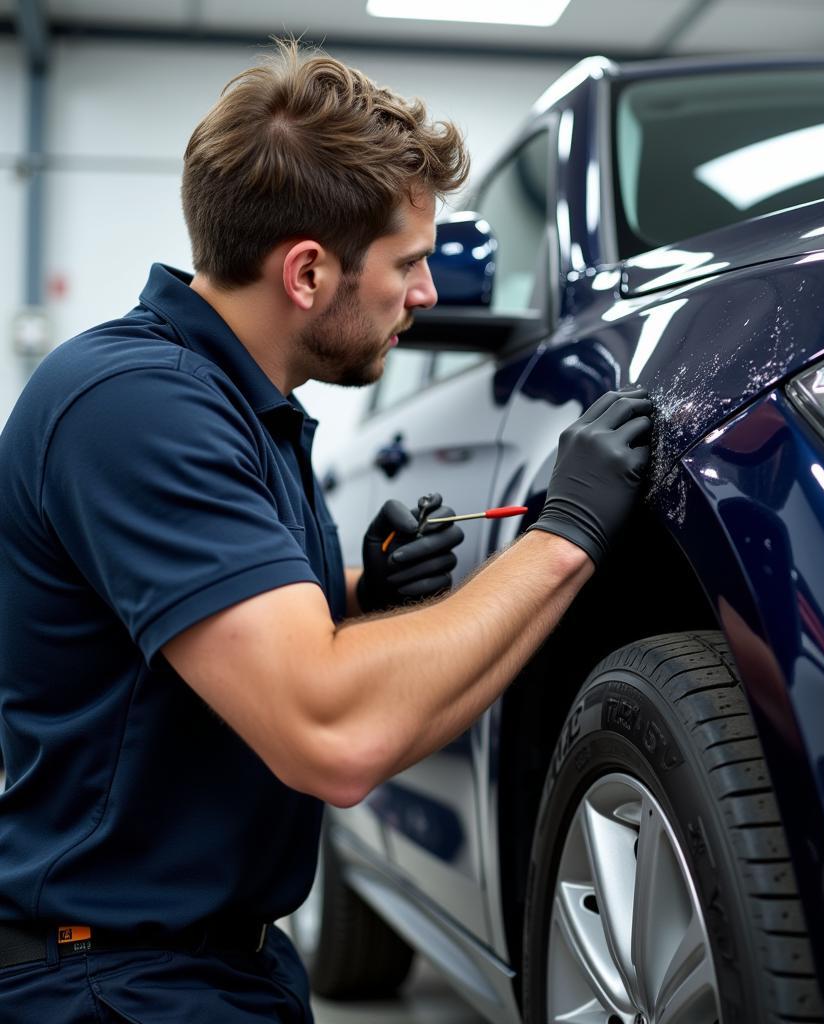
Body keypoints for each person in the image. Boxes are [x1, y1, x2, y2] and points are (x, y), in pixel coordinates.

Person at [0, 39, 652, 1022]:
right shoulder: (135, 409)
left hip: (215, 965)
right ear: (307, 272)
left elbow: (190, 635)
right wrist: (564, 539)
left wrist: (359, 594)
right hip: (108, 984)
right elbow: (334, 735)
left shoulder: (242, 405)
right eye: (409, 263)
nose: (427, 298)